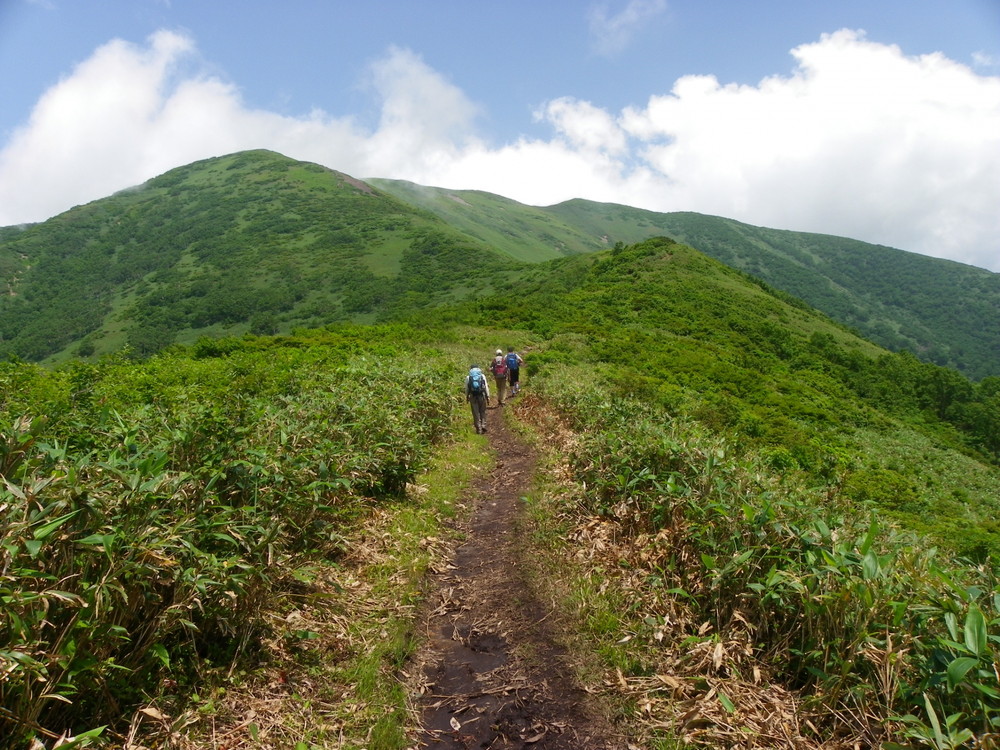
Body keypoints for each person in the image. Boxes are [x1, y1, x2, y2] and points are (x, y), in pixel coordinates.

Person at [465, 363, 491, 434]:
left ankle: (478, 429)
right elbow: (486, 387)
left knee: (475, 413)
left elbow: (467, 389)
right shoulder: (482, 376)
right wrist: (487, 396)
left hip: (473, 397)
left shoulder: (468, 377)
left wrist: (467, 397)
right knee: (482, 411)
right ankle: (483, 425)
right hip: (481, 395)